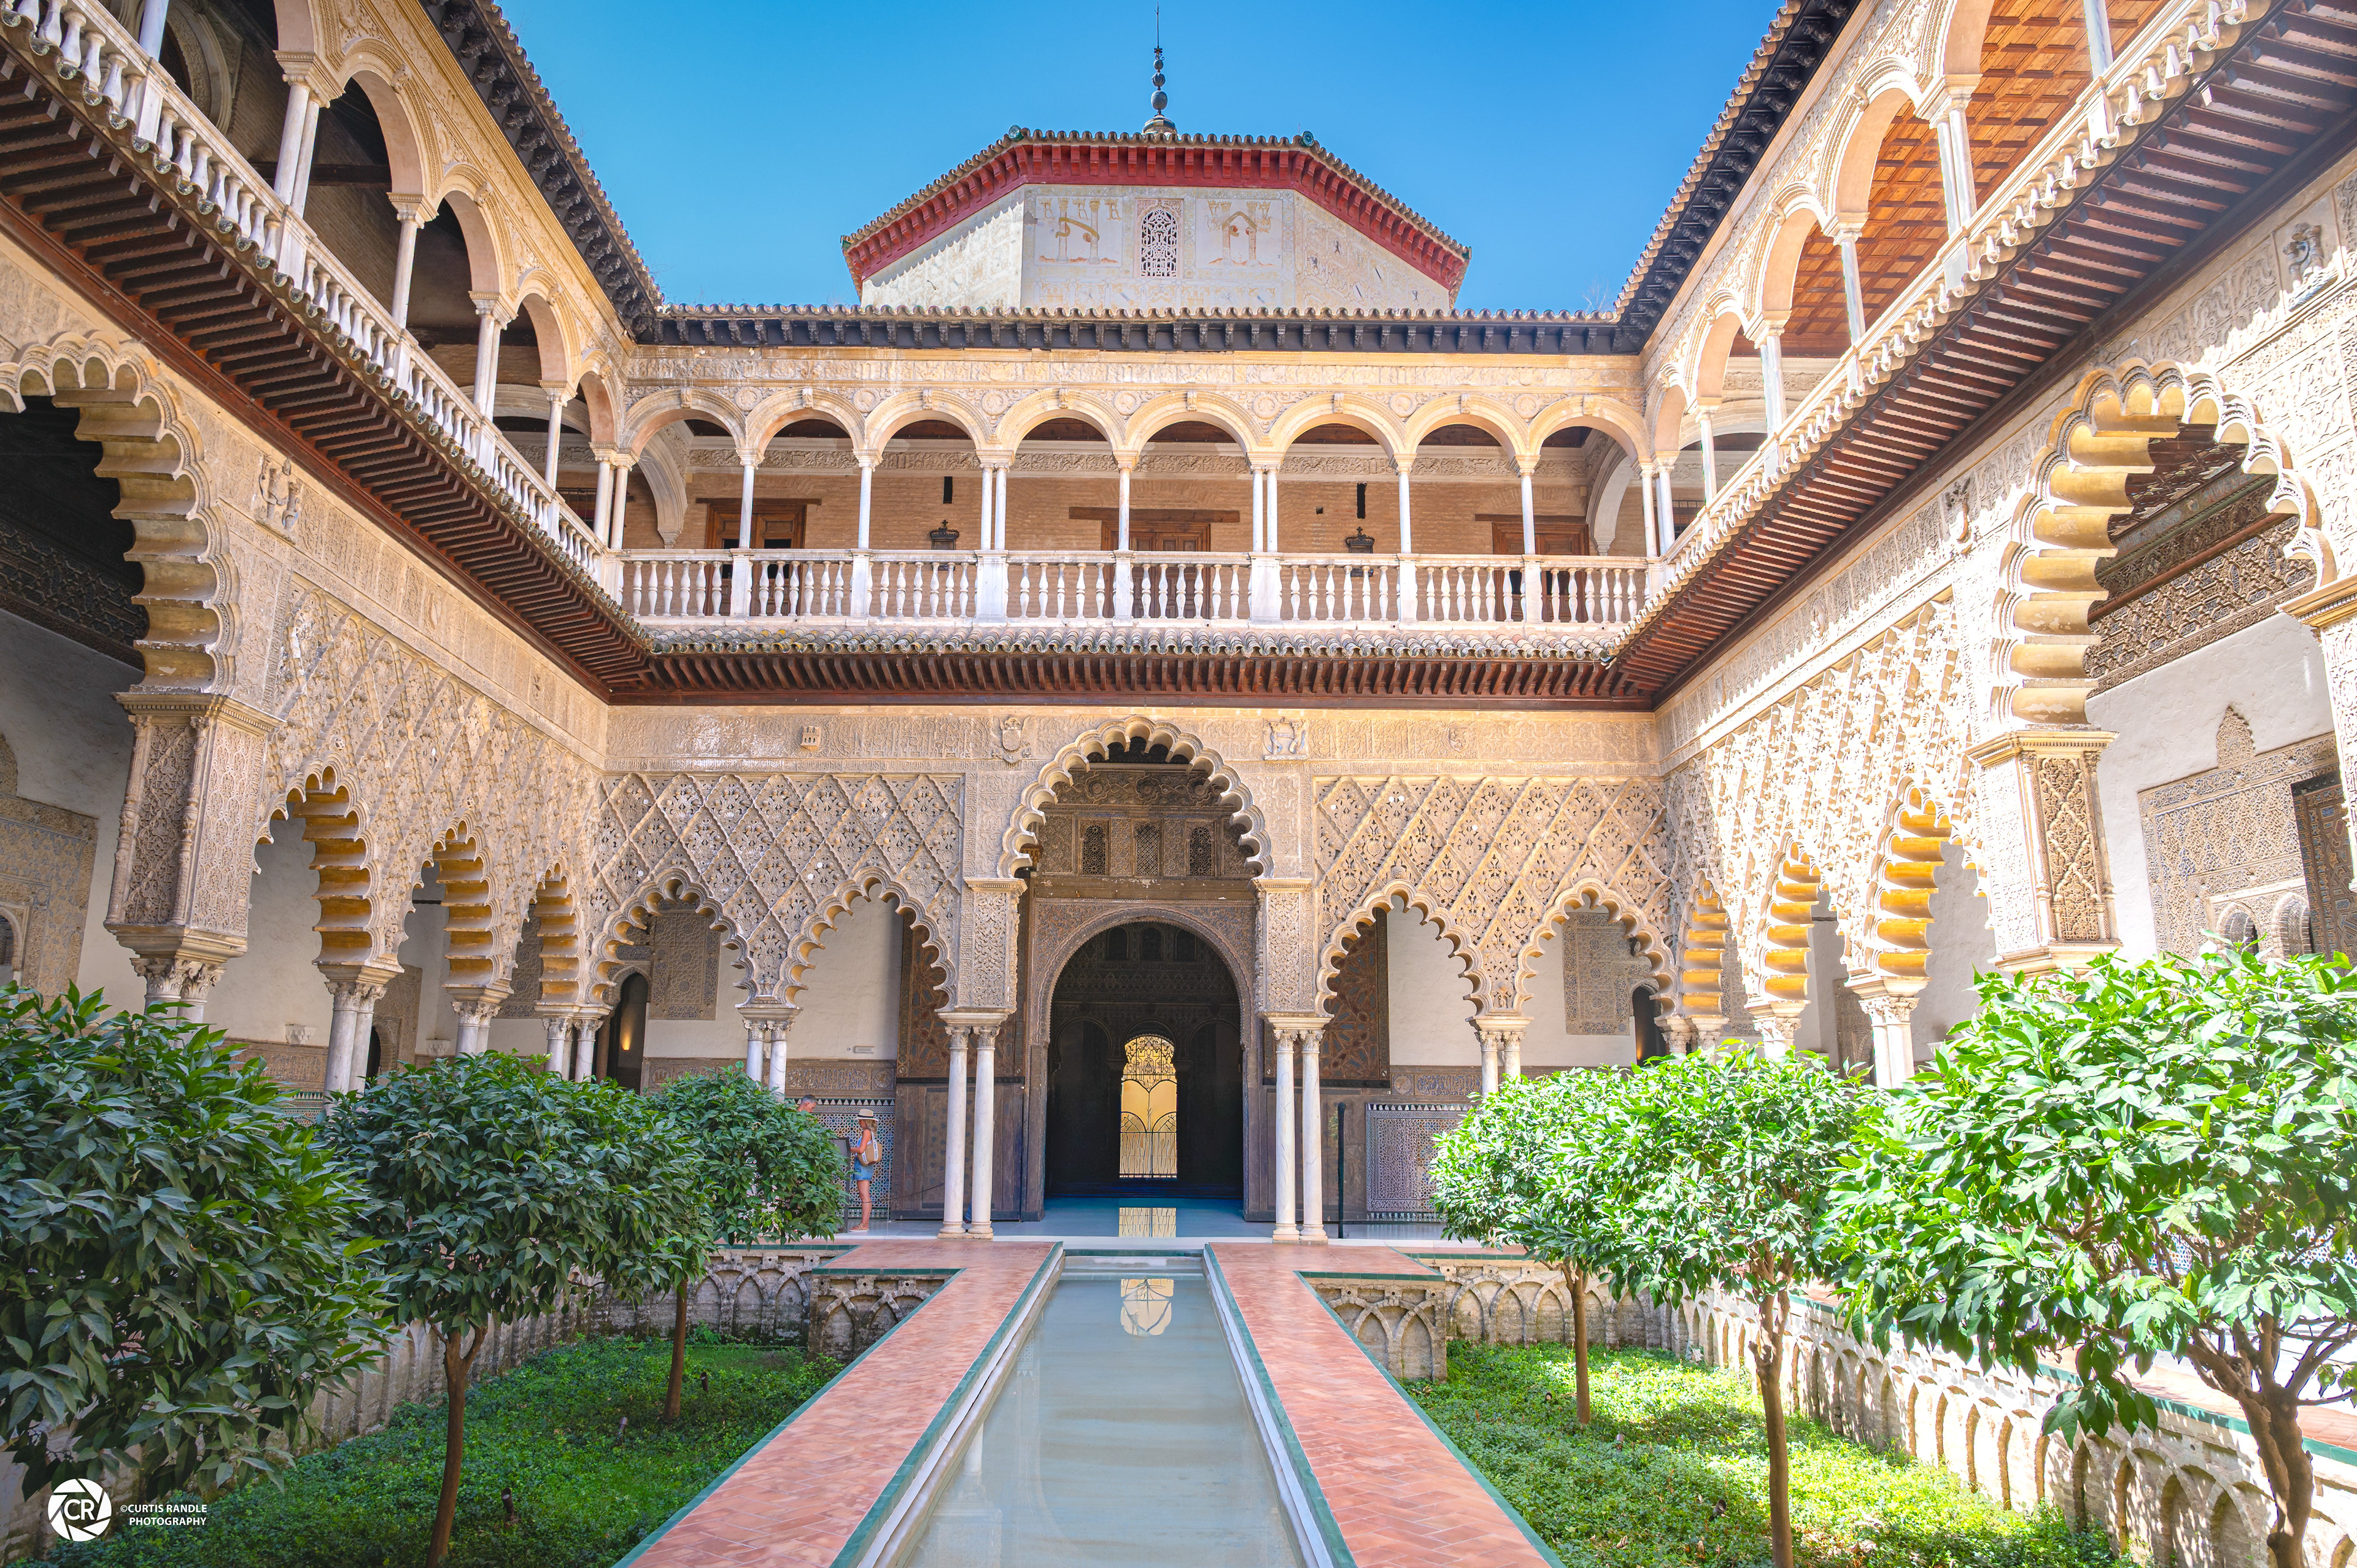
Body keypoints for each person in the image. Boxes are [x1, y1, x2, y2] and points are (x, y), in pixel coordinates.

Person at [849, 1109, 881, 1234]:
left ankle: (864, 1224)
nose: (859, 1123)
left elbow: (861, 1149)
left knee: (864, 1195)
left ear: (865, 1121)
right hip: (866, 1166)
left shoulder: (866, 1132)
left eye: (861, 1121)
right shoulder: (871, 1132)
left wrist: (849, 1148)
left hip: (862, 1166)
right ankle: (865, 1223)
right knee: (865, 1195)